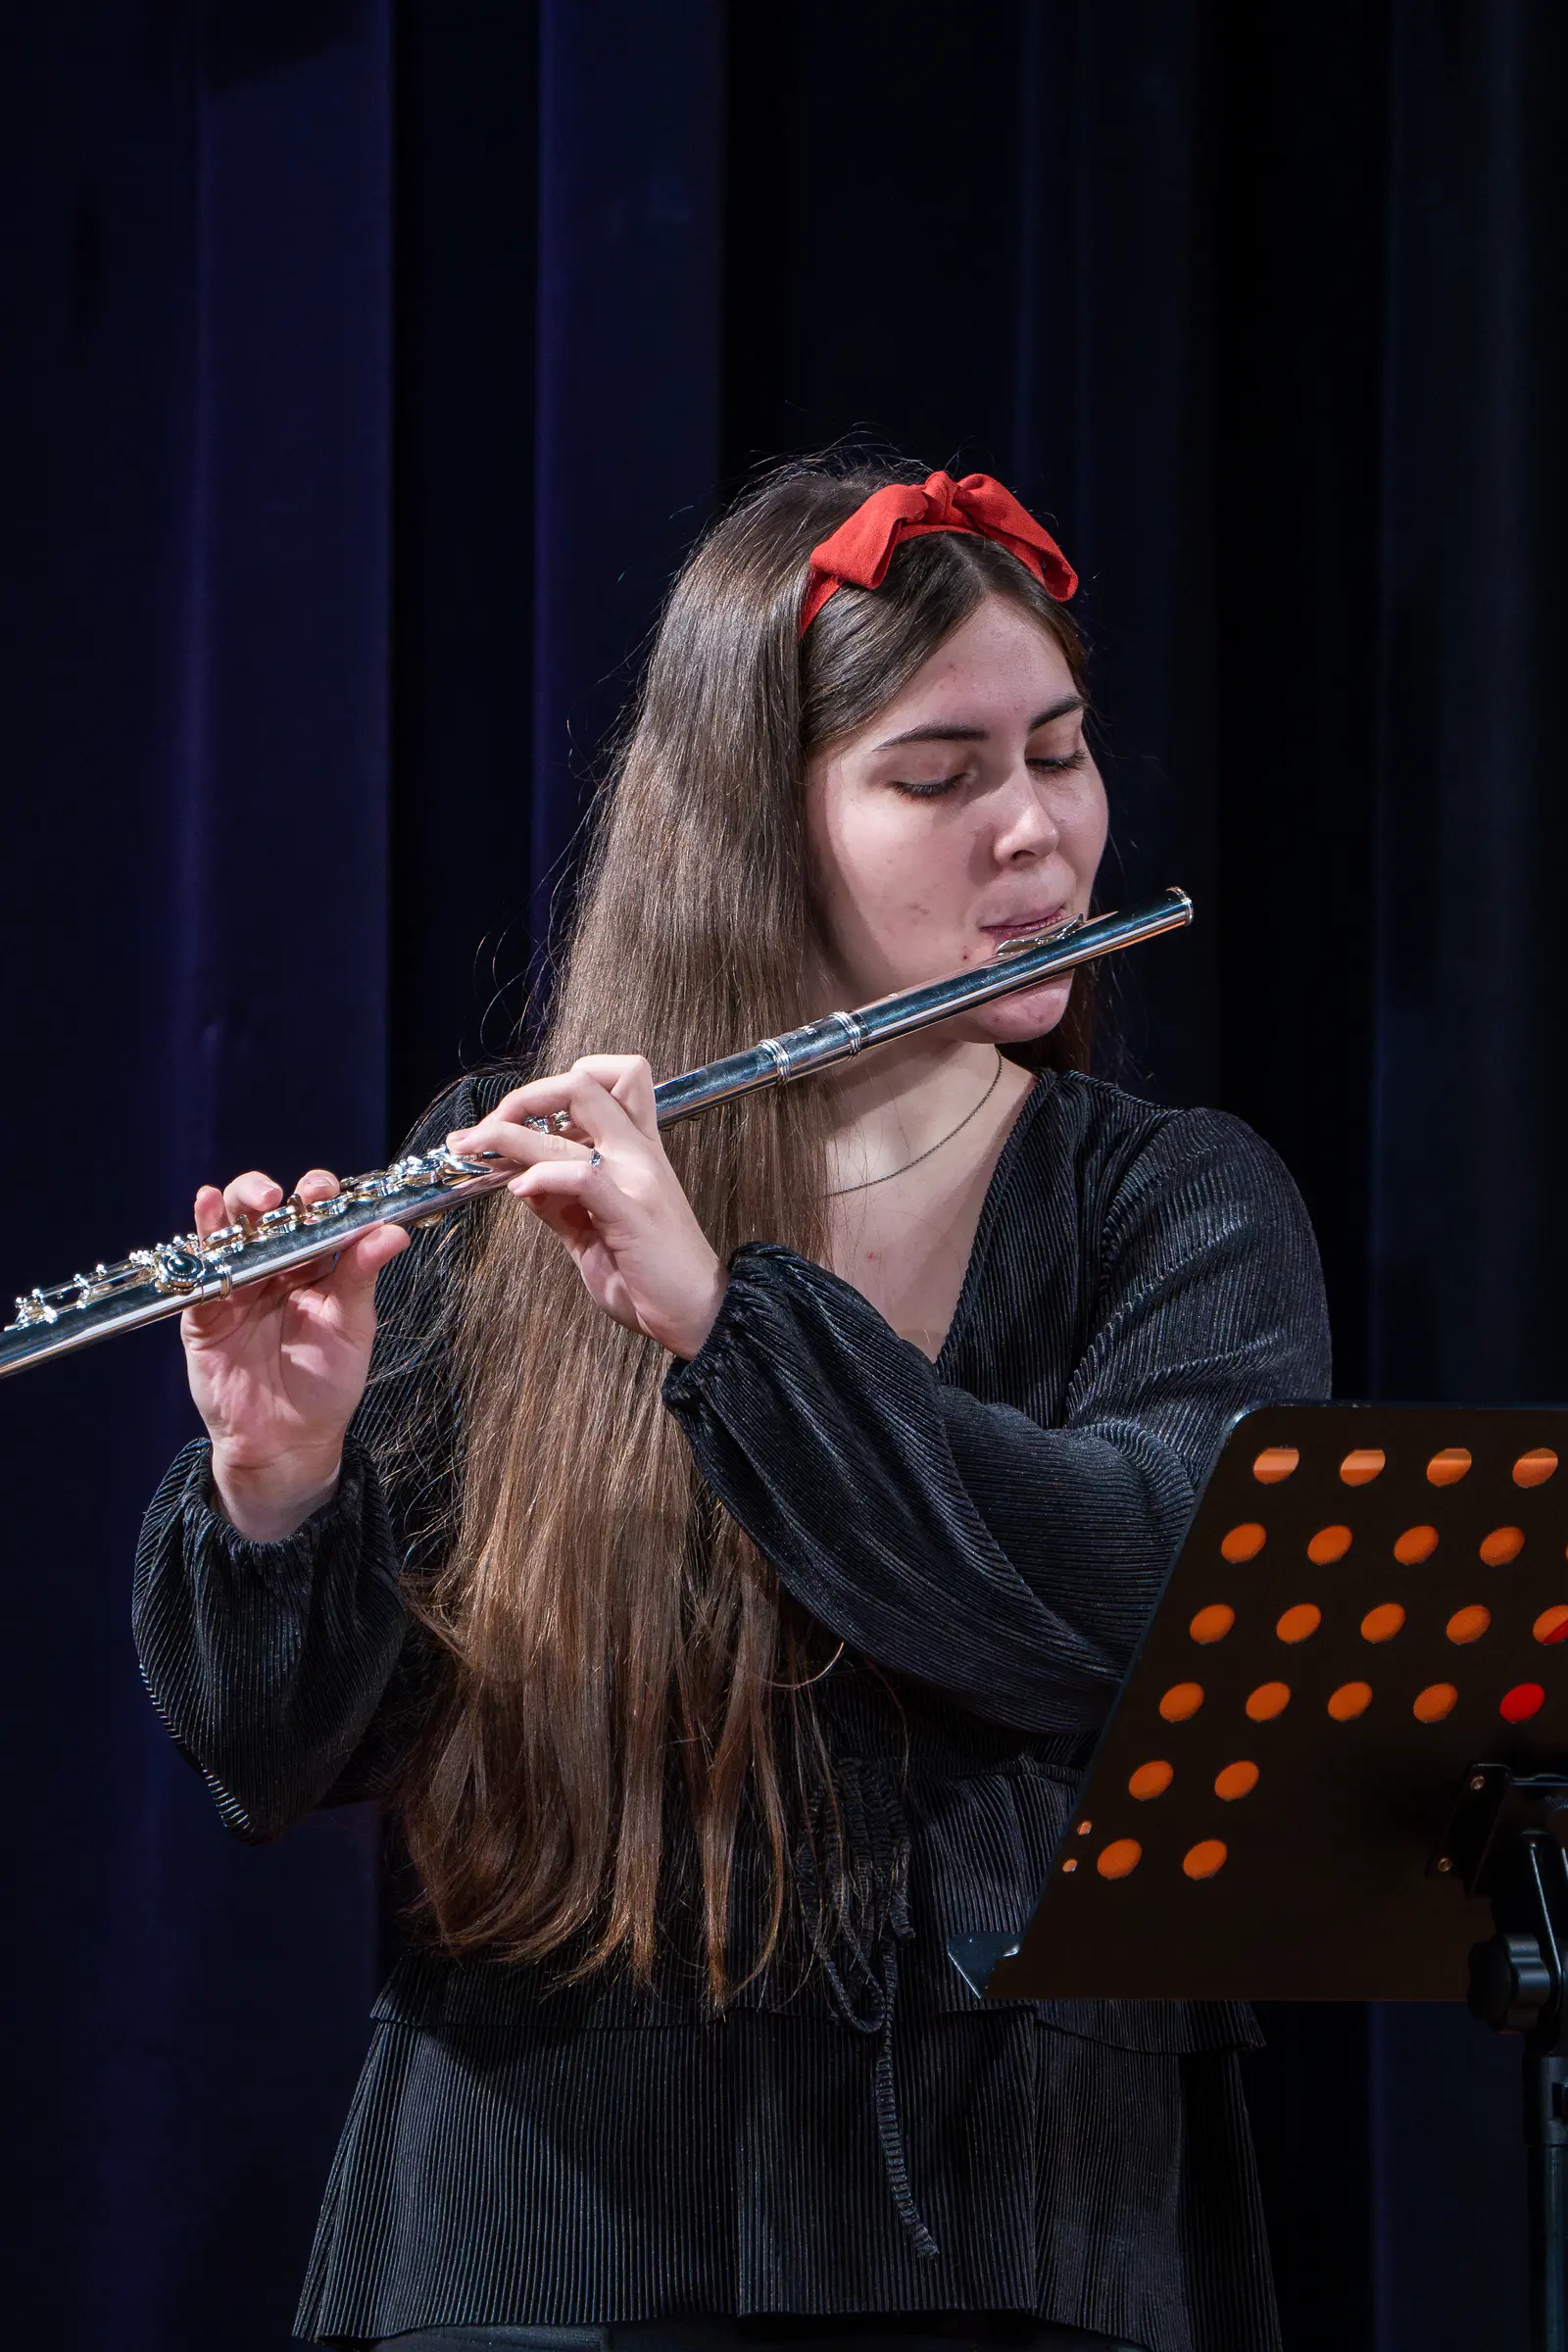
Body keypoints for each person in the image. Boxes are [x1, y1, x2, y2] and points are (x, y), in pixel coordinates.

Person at [134, 462, 1330, 2352]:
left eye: (1061, 752)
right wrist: (282, 1485)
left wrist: (726, 1325)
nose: (1038, 830)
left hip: (1015, 2218)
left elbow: (1149, 1602)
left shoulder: (1173, 1205)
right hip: (543, 2223)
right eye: (940, 777)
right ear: (762, 827)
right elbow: (275, 1767)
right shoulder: (508, 1176)